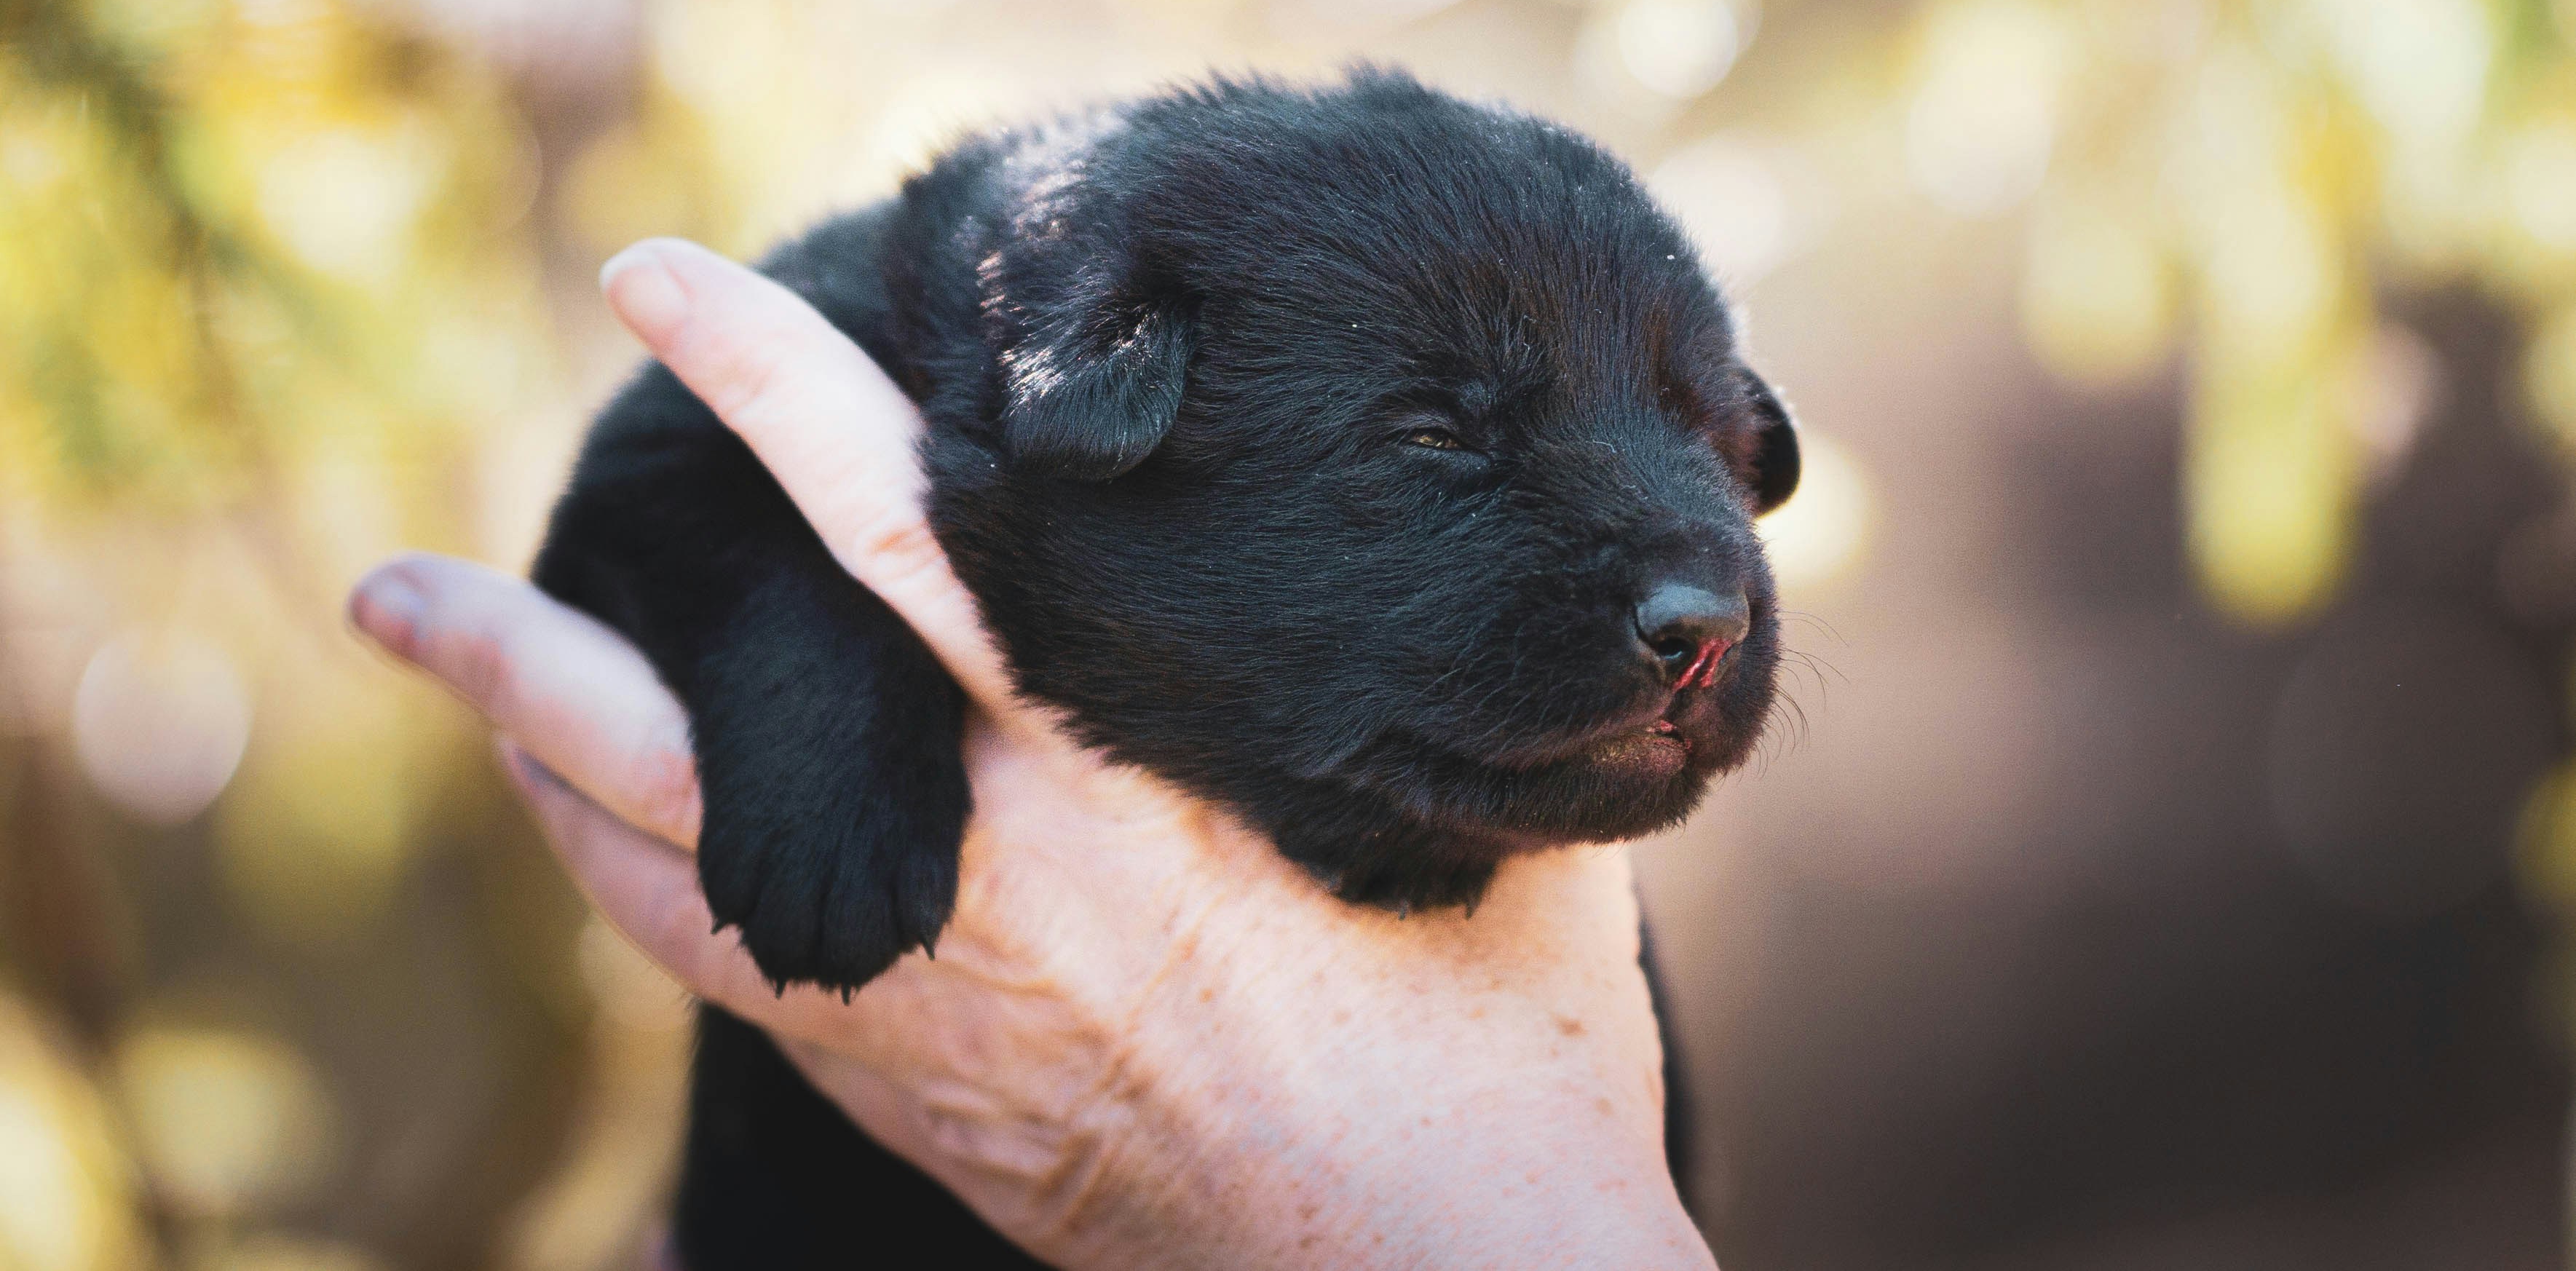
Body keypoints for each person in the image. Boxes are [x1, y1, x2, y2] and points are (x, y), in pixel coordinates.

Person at [347, 239, 1718, 1269]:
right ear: (1119, 375)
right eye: (1439, 441)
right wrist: (815, 666)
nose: (1703, 585)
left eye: (1700, 439)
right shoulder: (931, 310)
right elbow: (653, 493)